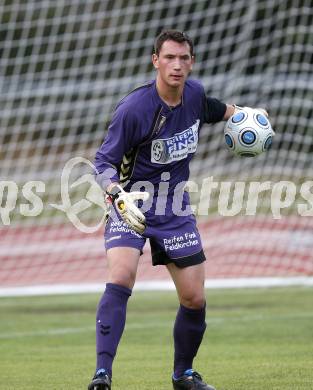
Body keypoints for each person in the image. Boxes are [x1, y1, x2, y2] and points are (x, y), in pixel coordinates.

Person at [88, 30, 266, 390]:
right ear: (156, 61)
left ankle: (183, 375)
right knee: (121, 277)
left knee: (194, 297)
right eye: (169, 57)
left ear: (192, 62)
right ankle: (102, 375)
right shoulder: (134, 109)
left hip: (175, 208)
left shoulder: (195, 95)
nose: (177, 65)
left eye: (184, 58)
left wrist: (244, 115)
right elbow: (102, 161)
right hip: (131, 204)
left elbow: (214, 109)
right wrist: (114, 192)